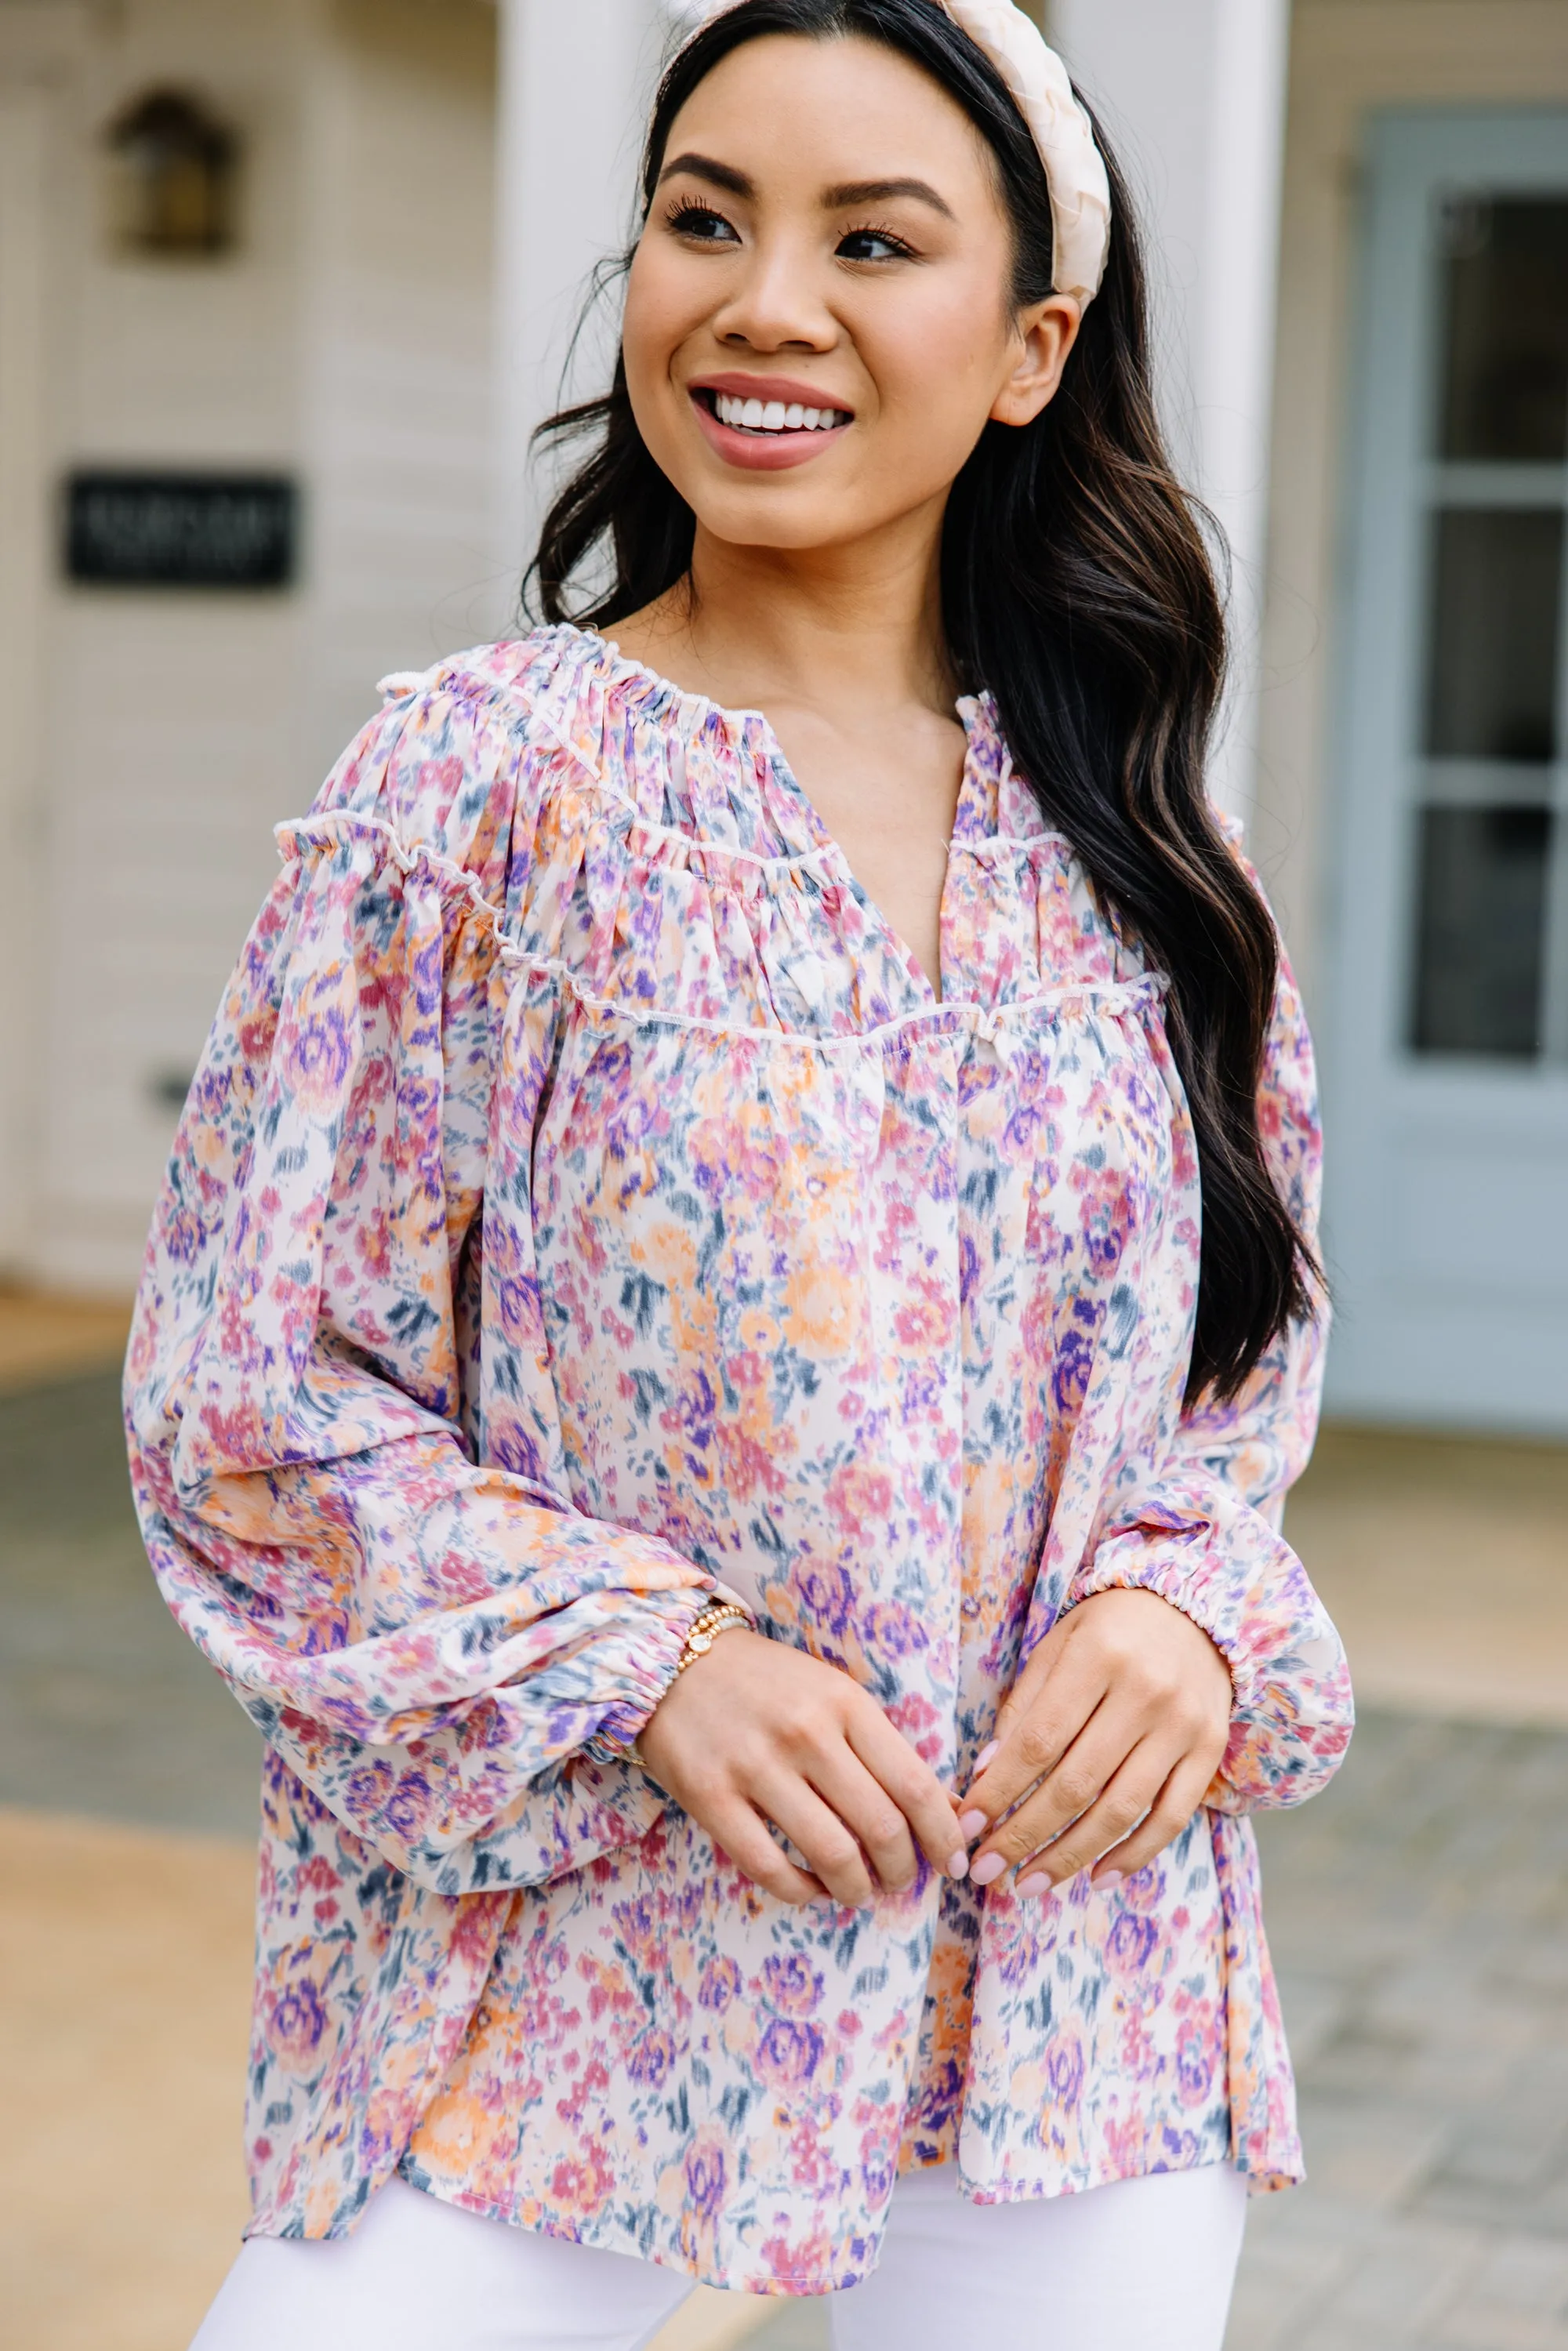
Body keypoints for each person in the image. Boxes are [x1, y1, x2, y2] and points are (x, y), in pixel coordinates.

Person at [126, 4, 1353, 2346]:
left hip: (1065, 1978)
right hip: (567, 1941)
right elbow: (250, 1392)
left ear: (1027, 350)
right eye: (706, 218)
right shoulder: (480, 792)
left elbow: (1244, 1356)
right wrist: (653, 1661)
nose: (762, 300)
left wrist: (1183, 1600)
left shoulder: (1153, 863)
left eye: (870, 239)